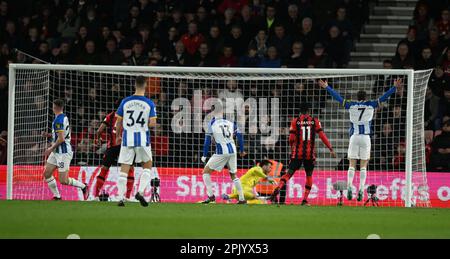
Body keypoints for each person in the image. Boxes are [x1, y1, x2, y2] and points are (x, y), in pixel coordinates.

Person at [318, 78, 401, 202]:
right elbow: (384, 97)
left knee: (352, 164)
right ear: (365, 97)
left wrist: (327, 87)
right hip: (366, 138)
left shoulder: (351, 105)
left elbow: (338, 97)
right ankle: (361, 189)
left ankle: (350, 186)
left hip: (354, 137)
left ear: (357, 97)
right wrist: (394, 87)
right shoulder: (371, 104)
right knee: (363, 165)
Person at [270, 103, 335, 206]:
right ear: (309, 111)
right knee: (309, 175)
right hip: (309, 155)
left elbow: (291, 138)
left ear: (300, 112)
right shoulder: (315, 121)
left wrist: (292, 148)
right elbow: (322, 136)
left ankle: (279, 187)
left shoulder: (295, 121)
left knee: (288, 174)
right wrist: (330, 148)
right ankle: (304, 200)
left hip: (297, 154)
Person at [115, 76, 157, 207]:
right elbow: (152, 123)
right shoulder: (149, 103)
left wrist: (117, 135)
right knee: (147, 167)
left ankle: (121, 198)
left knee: (124, 169)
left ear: (135, 85)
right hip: (143, 139)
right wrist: (144, 124)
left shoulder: (125, 101)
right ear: (145, 86)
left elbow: (118, 122)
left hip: (127, 138)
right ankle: (140, 192)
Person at [42, 99, 88, 200]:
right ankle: (57, 196)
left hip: (63, 153)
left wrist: (50, 148)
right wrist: (49, 135)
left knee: (63, 180)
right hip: (56, 152)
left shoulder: (58, 120)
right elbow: (62, 135)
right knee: (47, 173)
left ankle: (83, 186)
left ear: (55, 107)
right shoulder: (64, 117)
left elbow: (62, 138)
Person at [200, 113, 246, 204]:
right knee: (233, 175)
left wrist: (204, 155)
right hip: (233, 150)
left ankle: (211, 197)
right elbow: (240, 136)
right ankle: (242, 199)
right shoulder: (231, 122)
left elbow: (207, 141)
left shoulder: (212, 123)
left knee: (205, 172)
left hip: (221, 152)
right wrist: (242, 150)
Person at [93, 99, 135, 200]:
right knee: (130, 169)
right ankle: (128, 197)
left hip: (112, 146)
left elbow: (99, 131)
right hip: (125, 146)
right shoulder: (129, 115)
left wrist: (97, 139)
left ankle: (96, 196)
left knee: (104, 169)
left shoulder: (110, 115)